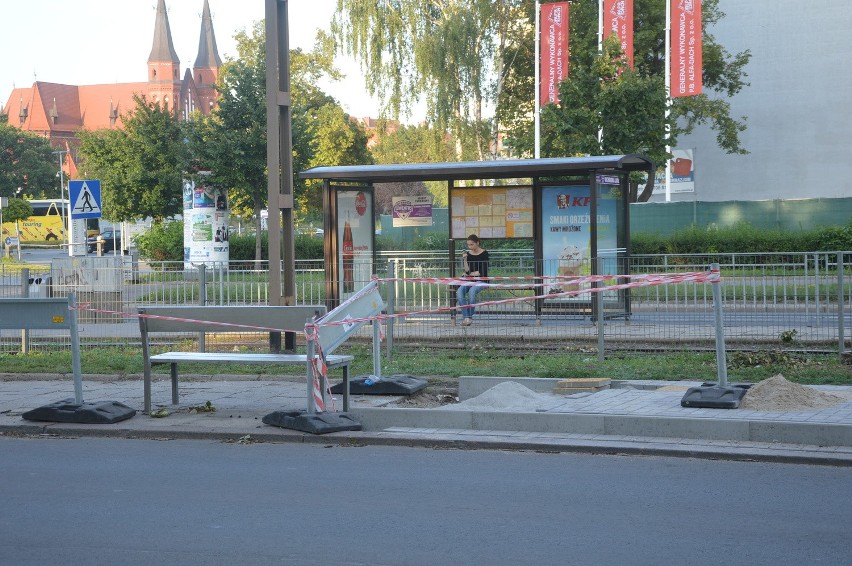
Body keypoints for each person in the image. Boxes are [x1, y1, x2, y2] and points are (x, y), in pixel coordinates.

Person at [456, 234, 489, 326]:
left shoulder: (484, 253)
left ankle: (469, 317)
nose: (470, 247)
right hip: (470, 280)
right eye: (468, 245)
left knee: (472, 291)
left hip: (481, 280)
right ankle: (466, 317)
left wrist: (470, 274)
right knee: (459, 292)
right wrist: (465, 259)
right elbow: (467, 270)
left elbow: (482, 272)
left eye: (472, 244)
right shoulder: (469, 254)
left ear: (477, 243)